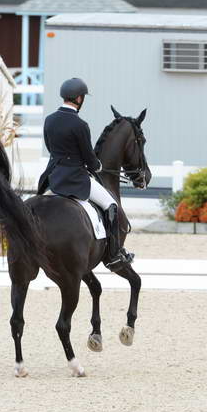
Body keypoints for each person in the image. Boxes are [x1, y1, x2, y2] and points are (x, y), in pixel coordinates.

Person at [37, 77, 133, 271]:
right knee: (111, 205)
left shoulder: (49, 120)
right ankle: (114, 254)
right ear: (79, 99)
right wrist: (97, 165)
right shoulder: (80, 124)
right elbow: (89, 158)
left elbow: (50, 148)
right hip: (75, 179)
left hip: (53, 177)